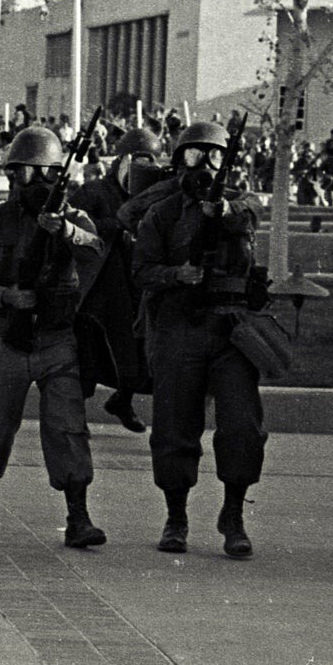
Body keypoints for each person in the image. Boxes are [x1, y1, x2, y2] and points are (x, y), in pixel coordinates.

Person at [0, 126, 108, 548]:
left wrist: (64, 232)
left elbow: (97, 250)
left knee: (67, 427)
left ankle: (78, 514)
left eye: (45, 174)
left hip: (57, 340)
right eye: (25, 173)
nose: (35, 183)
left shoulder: (73, 219)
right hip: (7, 337)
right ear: (11, 177)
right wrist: (4, 297)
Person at [130, 120, 264, 558]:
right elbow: (142, 270)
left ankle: (233, 514)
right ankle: (176, 516)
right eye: (193, 155)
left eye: (214, 156)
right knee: (173, 426)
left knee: (242, 425)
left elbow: (250, 214)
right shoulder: (163, 213)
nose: (204, 165)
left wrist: (222, 212)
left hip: (231, 331)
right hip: (180, 327)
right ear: (178, 161)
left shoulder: (238, 204)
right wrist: (177, 274)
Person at [73, 127, 167, 433]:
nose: (143, 169)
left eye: (149, 162)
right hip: (99, 289)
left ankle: (122, 400)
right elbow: (74, 225)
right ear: (122, 161)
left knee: (139, 353)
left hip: (136, 286)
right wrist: (115, 226)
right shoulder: (94, 192)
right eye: (138, 161)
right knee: (89, 355)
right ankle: (74, 416)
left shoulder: (156, 197)